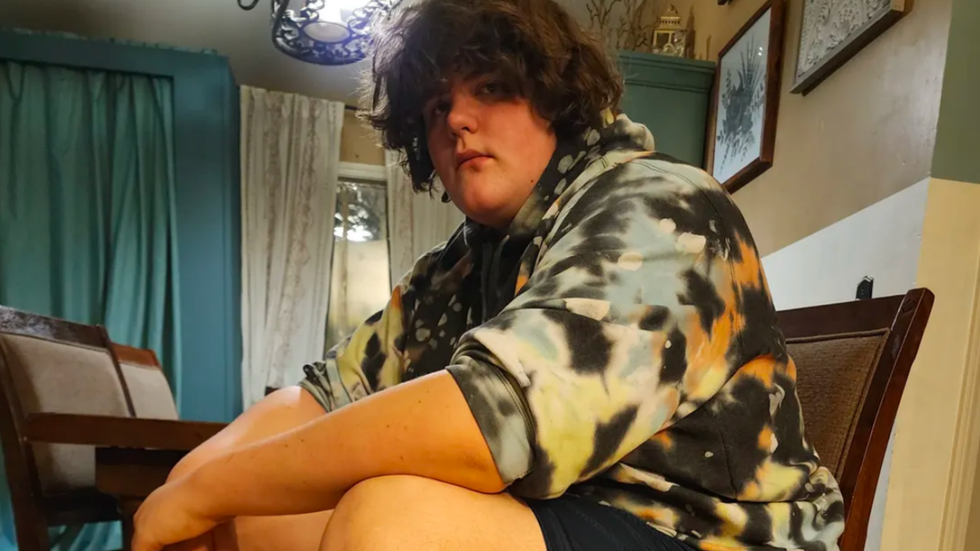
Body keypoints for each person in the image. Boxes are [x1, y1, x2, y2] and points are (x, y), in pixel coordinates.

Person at [133, 0, 845, 550]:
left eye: (491, 86)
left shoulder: (663, 206)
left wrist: (206, 491)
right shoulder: (468, 262)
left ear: (555, 97)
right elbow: (326, 395)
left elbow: (490, 420)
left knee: (393, 521)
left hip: (708, 533)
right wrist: (191, 482)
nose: (457, 121)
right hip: (570, 513)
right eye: (436, 106)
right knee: (257, 520)